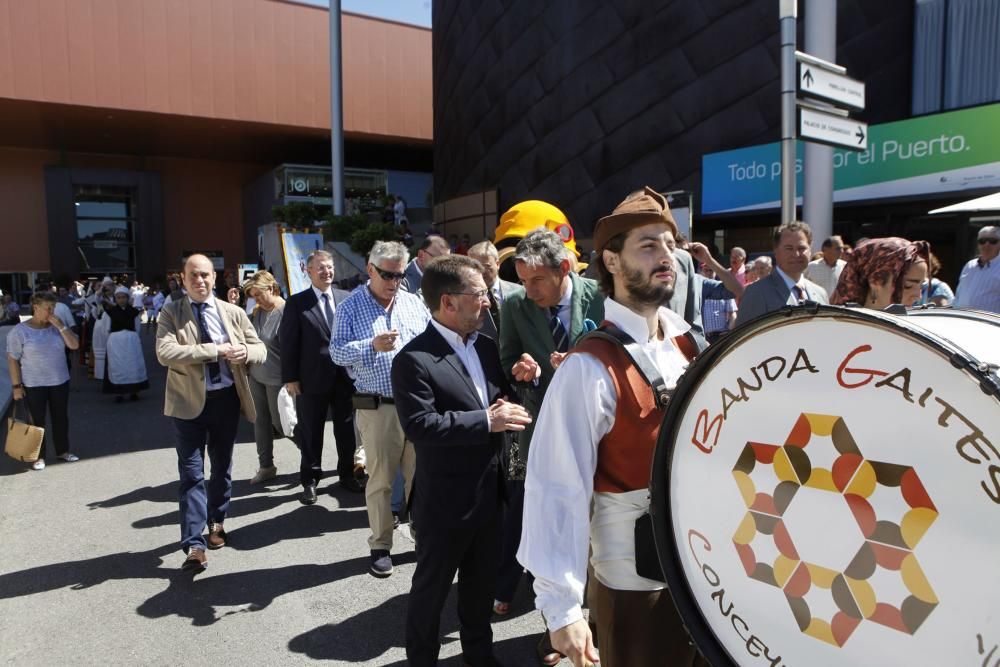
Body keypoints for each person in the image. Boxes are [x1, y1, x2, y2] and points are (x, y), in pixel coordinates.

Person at [518, 187, 707, 667]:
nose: (667, 256)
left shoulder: (690, 344)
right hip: (636, 584)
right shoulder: (587, 367)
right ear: (612, 261)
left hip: (708, 573)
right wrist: (562, 608)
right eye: (648, 245)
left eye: (670, 244)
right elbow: (557, 487)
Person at [392, 254, 532, 667]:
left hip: (490, 495)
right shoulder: (414, 359)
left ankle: (479, 654)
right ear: (448, 302)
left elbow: (503, 399)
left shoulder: (486, 347)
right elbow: (421, 425)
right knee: (431, 592)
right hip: (444, 502)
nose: (487, 301)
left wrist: (526, 377)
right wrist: (486, 420)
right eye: (479, 294)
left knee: (479, 586)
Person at [498, 228, 604, 662]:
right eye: (522, 280)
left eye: (536, 280)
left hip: (603, 434)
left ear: (565, 269)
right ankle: (558, 628)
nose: (528, 289)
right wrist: (526, 369)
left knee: (600, 532)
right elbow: (507, 361)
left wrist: (584, 363)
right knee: (554, 526)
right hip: (547, 430)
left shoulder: (601, 295)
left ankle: (598, 625)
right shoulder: (515, 306)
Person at [155, 253, 266, 573]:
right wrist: (214, 350)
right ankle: (193, 544)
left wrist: (247, 351)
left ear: (214, 278)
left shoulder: (232, 312)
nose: (200, 281)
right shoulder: (171, 311)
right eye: (193, 276)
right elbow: (165, 352)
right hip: (187, 403)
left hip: (225, 401)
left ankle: (216, 521)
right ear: (183, 279)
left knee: (221, 466)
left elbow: (259, 348)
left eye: (205, 275)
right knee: (191, 474)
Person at [332, 241, 431, 577]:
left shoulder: (414, 303)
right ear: (370, 269)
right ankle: (380, 544)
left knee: (421, 477)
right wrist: (370, 345)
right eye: (387, 274)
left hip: (417, 405)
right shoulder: (350, 307)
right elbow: (336, 353)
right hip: (378, 408)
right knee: (381, 481)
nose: (394, 281)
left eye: (400, 275)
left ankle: (422, 535)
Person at [279, 250, 362, 504]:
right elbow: (288, 342)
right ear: (309, 271)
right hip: (310, 378)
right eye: (321, 268)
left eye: (330, 267)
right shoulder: (297, 302)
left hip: (344, 377)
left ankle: (346, 474)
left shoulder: (346, 297)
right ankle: (310, 480)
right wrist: (290, 377)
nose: (327, 272)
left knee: (346, 430)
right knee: (311, 431)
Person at [6, 291, 81, 470]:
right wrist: (16, 386)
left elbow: (74, 345)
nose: (51, 312)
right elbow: (12, 359)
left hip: (59, 381)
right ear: (36, 308)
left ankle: (63, 451)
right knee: (37, 421)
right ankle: (38, 457)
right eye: (48, 308)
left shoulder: (57, 327)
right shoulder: (20, 331)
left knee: (61, 418)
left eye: (53, 307)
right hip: (33, 384)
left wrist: (62, 327)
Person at [735, 221, 829, 326]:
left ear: (810, 249)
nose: (796, 254)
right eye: (789, 248)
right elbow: (744, 340)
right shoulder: (757, 292)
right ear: (776, 251)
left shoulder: (821, 293)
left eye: (801, 248)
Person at [244, 271, 289, 484]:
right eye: (253, 295)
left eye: (259, 294)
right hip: (256, 376)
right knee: (259, 422)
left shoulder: (288, 311)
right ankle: (266, 466)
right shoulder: (256, 312)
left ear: (271, 288)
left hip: (279, 379)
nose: (256, 299)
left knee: (284, 425)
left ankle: (310, 456)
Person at [830, 237, 929, 309]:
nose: (918, 296)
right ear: (876, 281)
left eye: (922, 286)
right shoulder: (842, 328)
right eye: (908, 285)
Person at [102, 286, 149, 402]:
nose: (121, 300)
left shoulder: (134, 312)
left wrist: (133, 338)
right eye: (118, 298)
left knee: (133, 366)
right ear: (115, 299)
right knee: (118, 366)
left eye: (123, 297)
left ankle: (134, 391)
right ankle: (119, 392)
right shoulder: (110, 312)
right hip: (116, 343)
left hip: (131, 342)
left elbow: (137, 328)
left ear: (127, 298)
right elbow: (106, 329)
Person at [467, 240, 520, 340]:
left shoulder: (519, 292)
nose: (481, 271)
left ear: (497, 264)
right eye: (475, 267)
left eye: (486, 266)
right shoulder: (465, 298)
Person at [954, 225, 1000, 312]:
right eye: (982, 241)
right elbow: (959, 295)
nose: (987, 244)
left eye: (993, 241)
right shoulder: (969, 265)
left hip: (990, 323)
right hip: (962, 320)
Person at [804, 235, 847, 299]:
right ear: (825, 249)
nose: (842, 251)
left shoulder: (845, 267)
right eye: (838, 248)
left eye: (842, 248)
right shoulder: (811, 267)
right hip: (818, 307)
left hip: (838, 307)